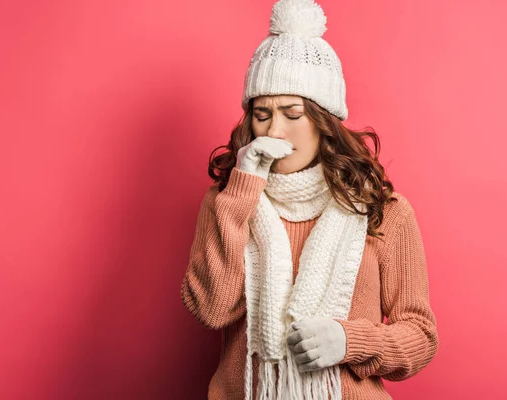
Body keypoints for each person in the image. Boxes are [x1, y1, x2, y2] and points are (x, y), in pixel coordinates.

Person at [180, 0, 439, 398]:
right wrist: (241, 191)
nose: (276, 130)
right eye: (262, 114)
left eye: (293, 113)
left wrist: (349, 341)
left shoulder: (383, 211)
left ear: (324, 122)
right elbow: (212, 309)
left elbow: (420, 337)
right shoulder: (227, 201)